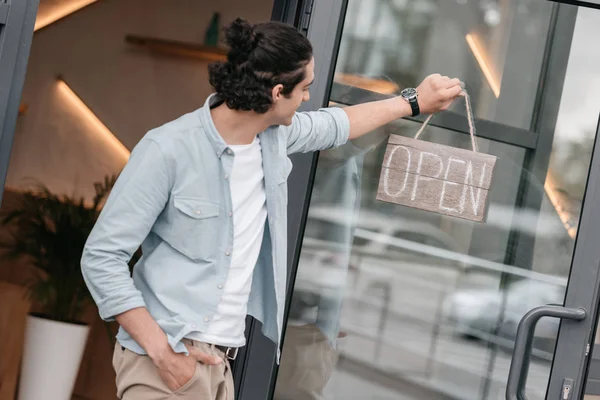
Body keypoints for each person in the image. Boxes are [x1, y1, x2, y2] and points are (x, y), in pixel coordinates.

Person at [81, 17, 463, 400]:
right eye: (305, 89)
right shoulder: (168, 149)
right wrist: (163, 354)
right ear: (278, 92)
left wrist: (413, 101)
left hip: (219, 366)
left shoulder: (275, 141)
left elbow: (338, 123)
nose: (309, 99)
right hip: (164, 364)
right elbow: (101, 258)